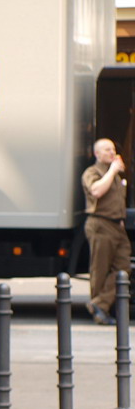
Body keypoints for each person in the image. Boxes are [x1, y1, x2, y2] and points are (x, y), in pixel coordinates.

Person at [81, 138, 129, 326]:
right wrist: (112, 171)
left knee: (123, 266)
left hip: (117, 225)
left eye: (113, 149)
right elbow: (96, 191)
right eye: (107, 150)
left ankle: (98, 304)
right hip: (100, 224)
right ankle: (100, 312)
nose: (112, 152)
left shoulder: (115, 174)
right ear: (97, 154)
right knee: (99, 270)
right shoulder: (93, 172)